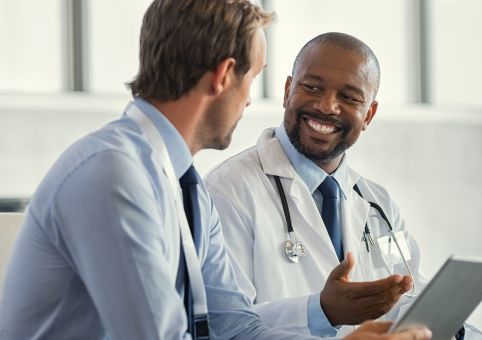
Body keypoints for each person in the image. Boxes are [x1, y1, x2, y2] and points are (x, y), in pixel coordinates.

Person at [0, 1, 433, 340]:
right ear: (225, 76)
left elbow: (235, 329)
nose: (249, 102)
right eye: (253, 79)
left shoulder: (185, 189)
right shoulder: (115, 177)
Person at [204, 32, 482, 339]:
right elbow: (224, 326)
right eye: (312, 87)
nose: (326, 106)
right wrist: (321, 311)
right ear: (287, 91)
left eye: (349, 97)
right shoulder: (228, 191)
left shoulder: (379, 205)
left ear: (369, 115)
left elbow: (406, 293)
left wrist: (451, 327)